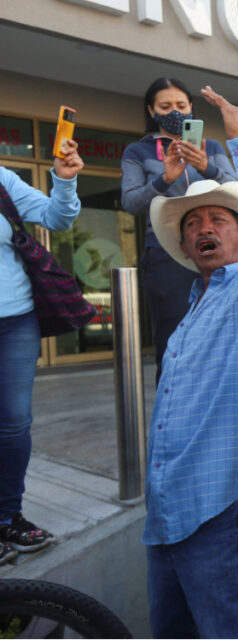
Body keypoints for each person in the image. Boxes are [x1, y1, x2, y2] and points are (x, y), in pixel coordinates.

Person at [143, 86, 238, 638]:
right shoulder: (189, 311)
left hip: (222, 509)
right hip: (167, 517)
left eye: (218, 219)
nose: (204, 228)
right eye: (193, 223)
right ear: (185, 246)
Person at [0, 140, 84, 564]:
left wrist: (64, 181)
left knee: (15, 422)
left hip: (16, 318)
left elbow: (58, 217)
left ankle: (6, 518)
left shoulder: (2, 179)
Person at [121, 77, 237, 379]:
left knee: (223, 332)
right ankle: (172, 402)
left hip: (217, 247)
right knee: (173, 336)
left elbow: (236, 187)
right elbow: (131, 202)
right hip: (165, 250)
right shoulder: (137, 152)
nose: (174, 111)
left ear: (191, 108)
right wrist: (165, 180)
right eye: (165, 106)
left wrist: (206, 167)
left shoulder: (210, 146)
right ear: (151, 110)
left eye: (181, 105)